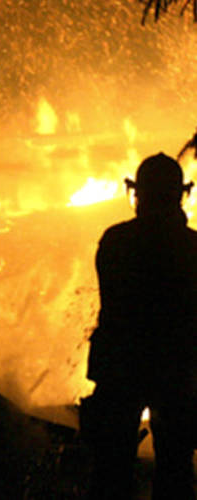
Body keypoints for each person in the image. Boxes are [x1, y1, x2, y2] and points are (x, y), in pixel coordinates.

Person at [81, 153, 197, 500]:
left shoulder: (116, 241)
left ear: (138, 193)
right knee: (175, 474)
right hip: (177, 372)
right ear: (182, 194)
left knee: (111, 474)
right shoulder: (193, 247)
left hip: (120, 369)